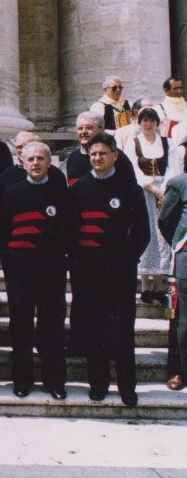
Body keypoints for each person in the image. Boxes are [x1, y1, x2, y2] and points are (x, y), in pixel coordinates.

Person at [69, 133, 149, 407]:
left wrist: (125, 261)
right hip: (90, 275)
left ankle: (127, 387)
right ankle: (98, 384)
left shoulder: (130, 188)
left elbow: (142, 233)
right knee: (95, 331)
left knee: (123, 331)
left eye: (103, 153)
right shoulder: (79, 188)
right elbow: (72, 233)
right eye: (93, 154)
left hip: (120, 274)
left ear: (115, 155)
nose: (97, 158)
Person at [1, 141, 70, 400]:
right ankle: (22, 379)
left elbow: (68, 229)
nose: (35, 163)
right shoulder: (11, 192)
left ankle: (54, 381)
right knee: (20, 325)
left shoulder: (61, 193)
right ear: (23, 163)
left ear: (49, 163)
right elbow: (3, 231)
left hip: (51, 271)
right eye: (30, 159)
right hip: (20, 272)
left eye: (40, 159)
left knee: (51, 326)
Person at [123, 107, 179, 304]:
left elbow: (174, 166)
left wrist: (164, 188)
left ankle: (159, 286)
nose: (148, 124)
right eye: (145, 120)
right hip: (143, 192)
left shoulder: (167, 142)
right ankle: (146, 286)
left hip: (166, 191)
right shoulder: (133, 143)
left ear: (157, 123)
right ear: (140, 122)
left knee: (163, 236)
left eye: (152, 120)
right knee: (147, 233)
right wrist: (152, 188)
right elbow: (132, 168)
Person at [158, 171, 187, 392]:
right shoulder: (179, 183)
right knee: (182, 319)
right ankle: (179, 371)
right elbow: (166, 221)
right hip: (185, 260)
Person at [0, 131, 65, 191]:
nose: (23, 150)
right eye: (19, 147)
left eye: (28, 146)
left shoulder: (56, 174)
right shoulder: (7, 175)